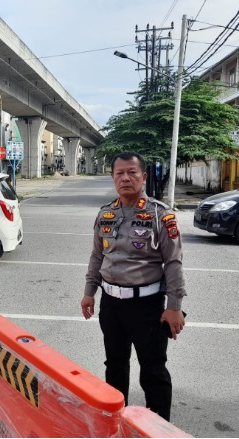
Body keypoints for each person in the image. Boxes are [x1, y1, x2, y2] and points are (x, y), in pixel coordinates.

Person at [81, 151, 186, 421]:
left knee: (153, 370)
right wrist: (89, 292)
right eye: (119, 173)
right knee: (114, 366)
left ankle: (159, 427)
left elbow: (173, 263)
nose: (125, 178)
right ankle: (116, 422)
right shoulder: (106, 214)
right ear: (113, 177)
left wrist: (174, 307)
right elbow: (97, 256)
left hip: (147, 307)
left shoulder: (160, 215)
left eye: (132, 172)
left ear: (143, 177)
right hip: (111, 305)